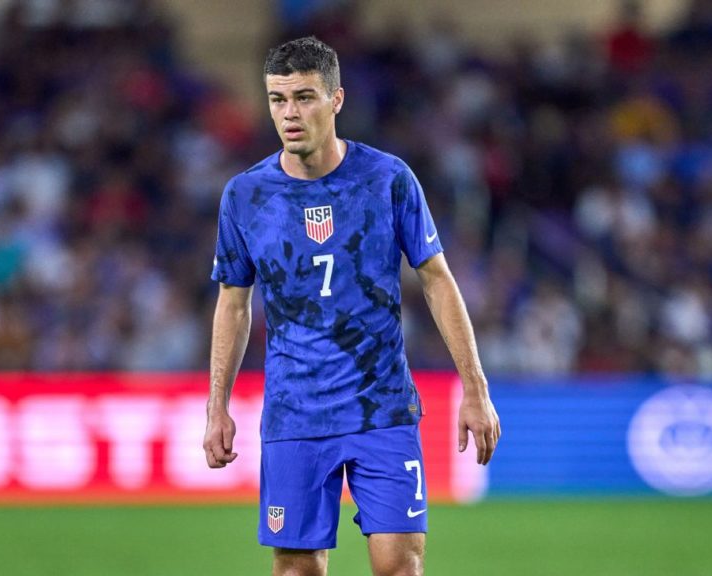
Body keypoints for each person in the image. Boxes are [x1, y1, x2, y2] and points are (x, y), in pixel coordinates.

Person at [204, 36, 500, 576]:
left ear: (336, 98)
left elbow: (437, 280)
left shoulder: (387, 179)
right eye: (277, 99)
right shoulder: (245, 196)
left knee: (398, 567)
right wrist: (216, 406)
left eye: (304, 97)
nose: (289, 113)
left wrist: (475, 389)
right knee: (297, 570)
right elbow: (233, 304)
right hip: (295, 412)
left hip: (380, 408)